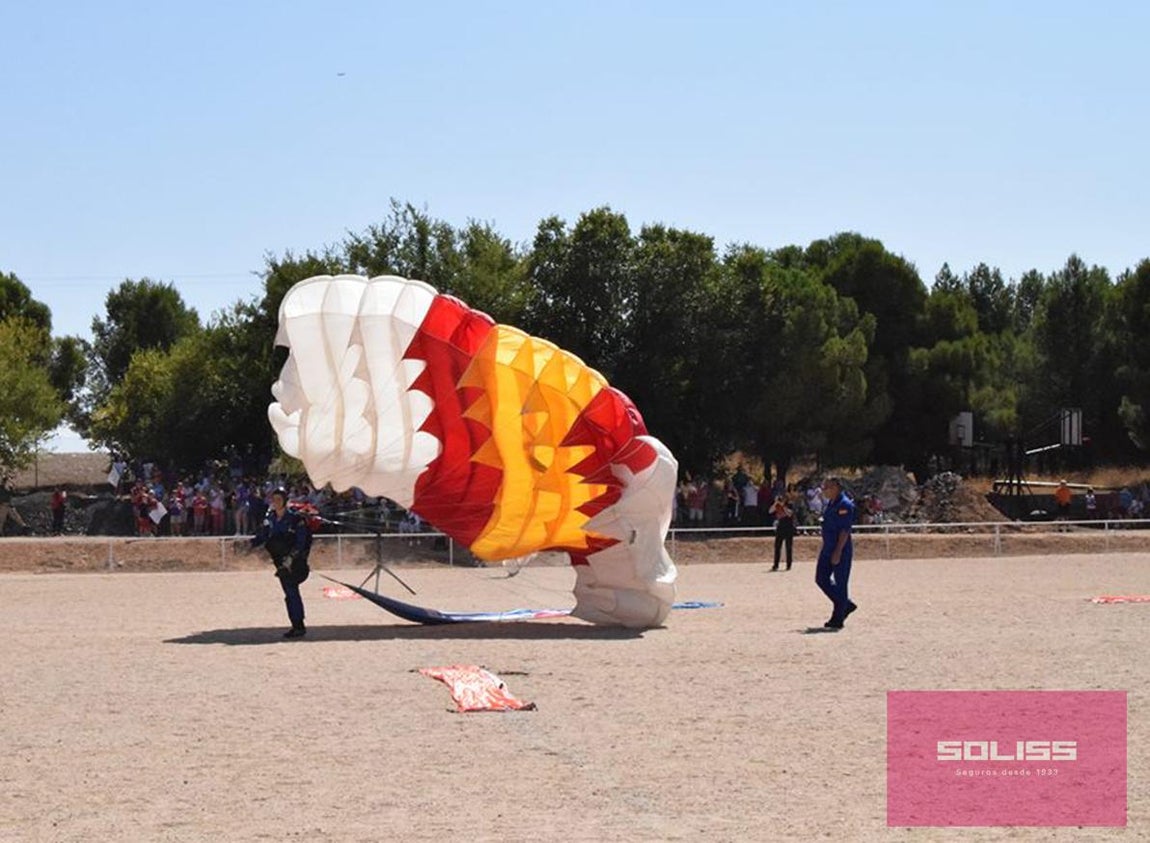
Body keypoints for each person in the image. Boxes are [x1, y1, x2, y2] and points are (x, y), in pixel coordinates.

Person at [251, 488, 311, 638]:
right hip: (280, 562)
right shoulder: (270, 518)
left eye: (279, 499)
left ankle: (299, 625)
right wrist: (248, 544)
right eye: (274, 499)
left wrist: (292, 558)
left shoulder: (295, 519)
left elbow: (301, 541)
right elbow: (263, 536)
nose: (275, 502)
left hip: (294, 562)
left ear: (284, 501)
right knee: (289, 593)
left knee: (292, 591)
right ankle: (296, 624)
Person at [815, 476, 857, 630]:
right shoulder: (831, 503)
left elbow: (844, 531)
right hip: (828, 547)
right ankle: (845, 604)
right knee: (821, 579)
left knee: (841, 583)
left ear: (836, 488)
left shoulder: (844, 504)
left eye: (826, 487)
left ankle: (838, 617)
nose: (824, 490)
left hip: (841, 549)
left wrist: (838, 551)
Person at [770, 492, 795, 571]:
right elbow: (770, 511)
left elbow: (789, 514)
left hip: (789, 527)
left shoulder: (790, 505)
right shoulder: (777, 505)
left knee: (789, 547)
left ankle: (789, 565)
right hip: (780, 526)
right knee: (777, 546)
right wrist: (775, 503)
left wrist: (783, 506)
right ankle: (776, 565)